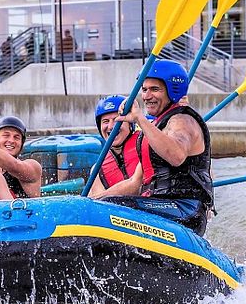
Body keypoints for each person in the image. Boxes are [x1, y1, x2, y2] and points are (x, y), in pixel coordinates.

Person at [113, 59, 213, 235]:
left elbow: (176, 156)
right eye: (144, 90)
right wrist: (91, 201)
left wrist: (140, 119)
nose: (146, 96)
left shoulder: (183, 121)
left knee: (122, 206)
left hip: (185, 209)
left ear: (173, 91)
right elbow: (134, 183)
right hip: (159, 204)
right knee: (110, 202)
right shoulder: (157, 128)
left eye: (155, 89)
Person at [88, 95, 147, 199]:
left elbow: (136, 185)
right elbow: (98, 206)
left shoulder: (146, 144)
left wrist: (96, 198)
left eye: (116, 120)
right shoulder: (97, 169)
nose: (111, 126)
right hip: (121, 213)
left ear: (130, 124)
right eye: (105, 121)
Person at [0, 116, 42, 198]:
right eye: (6, 135)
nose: (11, 141)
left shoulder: (33, 168)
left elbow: (14, 165)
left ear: (22, 143)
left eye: (16, 137)